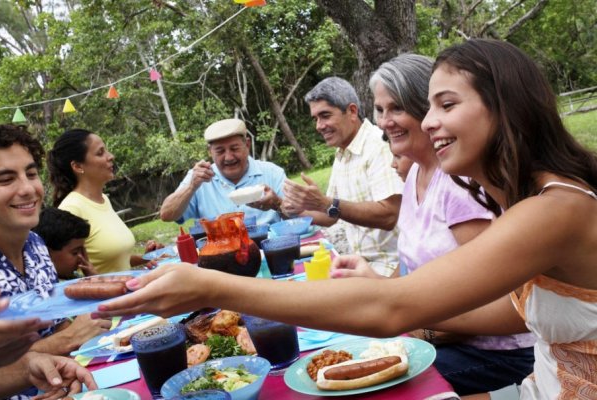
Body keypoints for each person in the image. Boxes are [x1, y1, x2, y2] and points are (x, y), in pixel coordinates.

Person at [95, 40, 597, 400]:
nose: (427, 123)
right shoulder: (523, 200)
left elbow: (393, 307)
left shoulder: (555, 209)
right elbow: (503, 311)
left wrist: (210, 288)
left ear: (506, 108)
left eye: (445, 105)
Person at [330, 54, 535, 395]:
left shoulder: (459, 184)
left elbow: (510, 303)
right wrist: (378, 283)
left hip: (503, 350)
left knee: (381, 388)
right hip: (447, 338)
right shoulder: (415, 176)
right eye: (380, 110)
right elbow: (415, 273)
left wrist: (416, 321)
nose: (384, 122)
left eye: (396, 108)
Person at [0, 124, 109, 399]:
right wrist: (69, 339)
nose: (28, 189)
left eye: (31, 174)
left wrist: (62, 369)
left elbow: (54, 325)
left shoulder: (36, 245)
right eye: (5, 179)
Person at [282, 77, 404, 276]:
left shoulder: (378, 145)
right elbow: (330, 216)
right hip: (361, 265)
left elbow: (389, 214)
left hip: (392, 269)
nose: (319, 126)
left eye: (325, 115)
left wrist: (327, 203)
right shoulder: (342, 153)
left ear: (352, 111)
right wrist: (282, 206)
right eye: (316, 119)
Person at [47, 129, 160, 274]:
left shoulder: (103, 199)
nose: (110, 156)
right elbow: (67, 272)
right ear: (78, 166)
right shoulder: (71, 209)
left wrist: (147, 257)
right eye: (100, 153)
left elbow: (111, 259)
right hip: (107, 295)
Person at [159, 118, 286, 226]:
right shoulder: (198, 177)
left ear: (247, 145)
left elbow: (299, 217)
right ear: (210, 151)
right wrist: (191, 187)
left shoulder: (272, 173)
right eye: (220, 151)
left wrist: (277, 203)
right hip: (219, 251)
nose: (229, 157)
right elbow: (166, 215)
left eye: (234, 148)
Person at [33, 207, 97, 280]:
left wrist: (93, 278)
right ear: (46, 253)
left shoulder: (74, 276)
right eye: (75, 253)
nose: (81, 258)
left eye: (82, 251)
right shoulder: (43, 286)